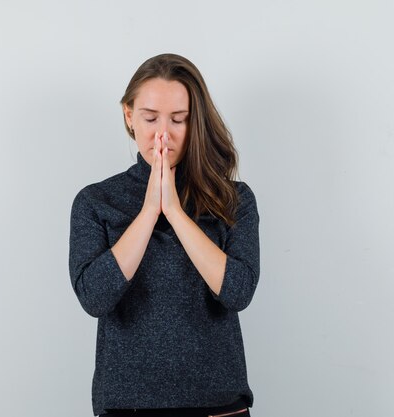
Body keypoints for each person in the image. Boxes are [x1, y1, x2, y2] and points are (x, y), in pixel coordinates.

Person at [68, 53, 260, 417]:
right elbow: (94, 298)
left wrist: (174, 211)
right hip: (129, 406)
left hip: (218, 405)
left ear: (196, 121)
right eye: (150, 117)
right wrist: (147, 212)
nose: (163, 134)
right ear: (129, 116)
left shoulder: (234, 200)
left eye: (179, 120)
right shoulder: (95, 201)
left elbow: (238, 291)